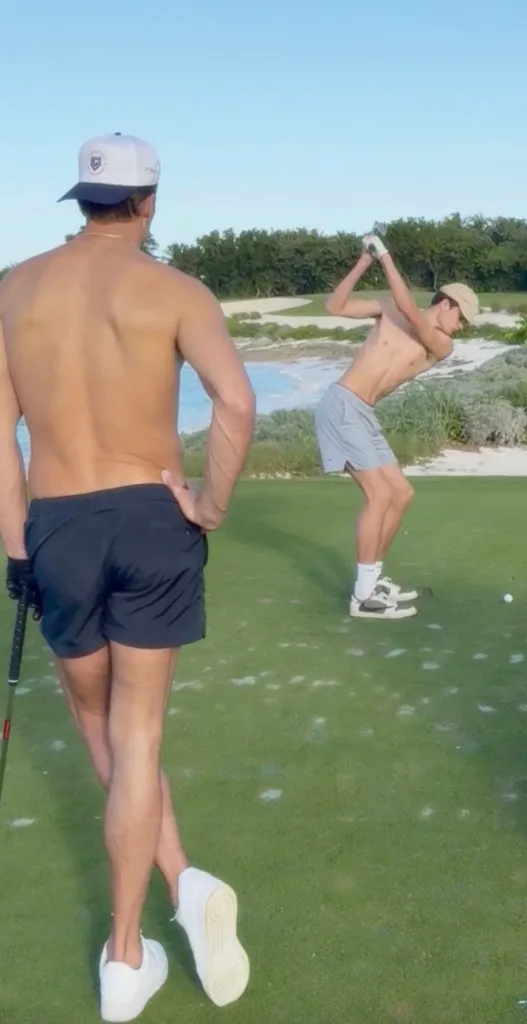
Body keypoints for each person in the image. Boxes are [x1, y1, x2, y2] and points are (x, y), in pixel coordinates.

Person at [0, 133, 256, 1022]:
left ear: (80, 200)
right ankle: (148, 924)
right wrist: (209, 506)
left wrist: (17, 546)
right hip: (152, 516)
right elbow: (237, 401)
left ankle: (147, 931)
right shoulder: (177, 290)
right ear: (149, 201)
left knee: (98, 727)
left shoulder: (14, 290)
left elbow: (0, 432)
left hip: (58, 522)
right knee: (137, 736)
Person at [314, 233, 478, 620]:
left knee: (401, 494)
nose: (461, 326)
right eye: (461, 317)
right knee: (379, 496)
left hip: (363, 413)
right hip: (343, 404)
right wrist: (366, 260)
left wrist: (384, 254)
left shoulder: (441, 344)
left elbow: (408, 308)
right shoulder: (387, 310)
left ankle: (372, 581)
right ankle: (363, 598)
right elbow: (334, 306)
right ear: (446, 303)